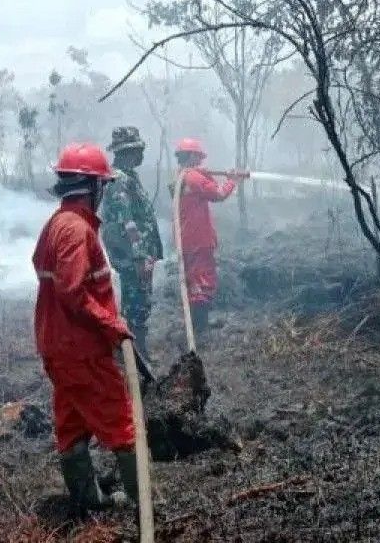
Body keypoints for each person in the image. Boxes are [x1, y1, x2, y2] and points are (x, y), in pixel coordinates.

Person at [32, 142, 138, 512]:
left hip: (58, 346)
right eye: (102, 187)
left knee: (72, 421)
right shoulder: (77, 230)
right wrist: (112, 323)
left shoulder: (55, 226)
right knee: (120, 419)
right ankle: (145, 505)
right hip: (81, 348)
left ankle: (88, 502)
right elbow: (73, 291)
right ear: (93, 187)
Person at [99, 126, 163, 357]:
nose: (141, 154)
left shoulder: (128, 177)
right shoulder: (119, 180)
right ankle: (135, 356)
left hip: (139, 254)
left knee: (140, 303)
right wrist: (138, 256)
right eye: (137, 150)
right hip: (134, 256)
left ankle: (137, 353)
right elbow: (127, 222)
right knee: (136, 305)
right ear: (127, 152)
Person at [173, 137, 246, 338]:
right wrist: (232, 180)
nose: (201, 161)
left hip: (188, 239)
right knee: (202, 283)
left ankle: (198, 325)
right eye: (199, 157)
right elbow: (219, 194)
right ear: (193, 156)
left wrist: (208, 175)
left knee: (194, 283)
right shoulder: (193, 178)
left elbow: (206, 191)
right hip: (198, 240)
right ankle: (200, 330)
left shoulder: (182, 176)